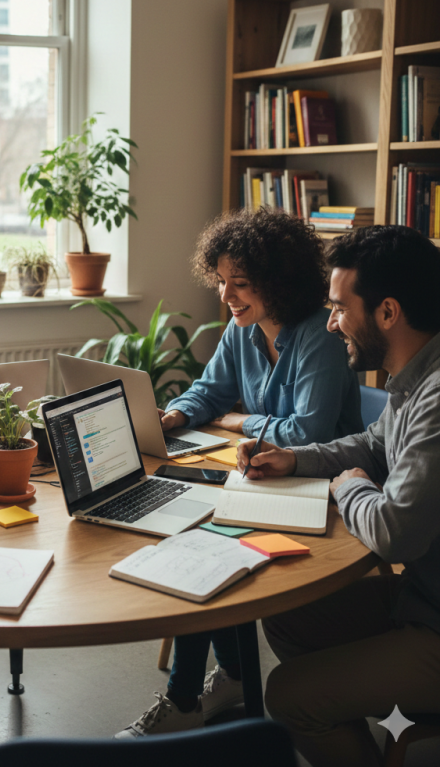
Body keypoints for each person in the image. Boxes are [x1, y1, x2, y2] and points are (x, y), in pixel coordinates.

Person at [116, 207, 363, 740]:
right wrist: (177, 413)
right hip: (261, 475)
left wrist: (239, 419)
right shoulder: (242, 328)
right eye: (222, 281)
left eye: (242, 284)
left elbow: (308, 430)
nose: (227, 296)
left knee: (206, 548)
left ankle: (185, 700)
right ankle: (231, 675)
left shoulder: (318, 336)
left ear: (279, 282)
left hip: (322, 490)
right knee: (195, 534)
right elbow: (209, 388)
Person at [237, 225, 440, 767]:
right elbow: (373, 444)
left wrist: (349, 487)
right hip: (422, 600)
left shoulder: (437, 397)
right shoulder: (415, 375)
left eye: (338, 308)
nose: (331, 323)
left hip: (436, 627)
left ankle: (341, 714)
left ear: (388, 312)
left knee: (287, 696)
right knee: (287, 614)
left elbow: (395, 533)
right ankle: (360, 718)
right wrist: (296, 459)